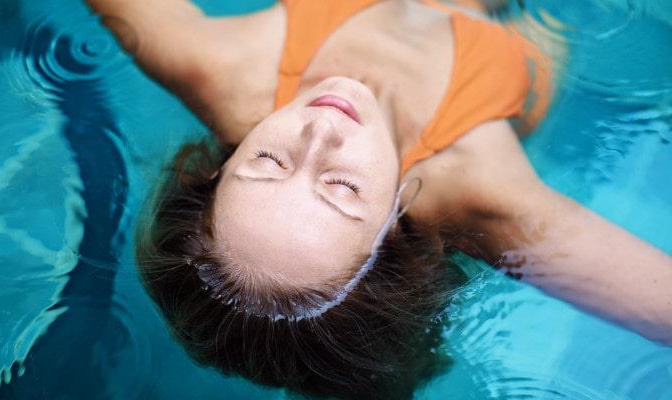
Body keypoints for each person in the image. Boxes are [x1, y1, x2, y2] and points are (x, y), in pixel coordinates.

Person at [86, 0, 672, 398]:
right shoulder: (482, 191)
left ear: (222, 166)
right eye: (341, 188)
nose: (321, 132)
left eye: (267, 161)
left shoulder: (219, 67)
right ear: (389, 229)